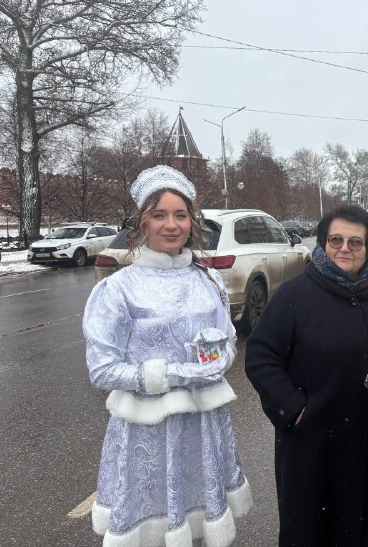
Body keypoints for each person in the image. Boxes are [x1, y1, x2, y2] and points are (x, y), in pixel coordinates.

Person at [84, 165, 252, 547]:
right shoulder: (119, 288)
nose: (171, 225)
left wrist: (219, 360)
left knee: (198, 525)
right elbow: (102, 370)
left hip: (203, 424)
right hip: (148, 430)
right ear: (142, 223)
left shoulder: (207, 279)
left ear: (192, 222)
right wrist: (176, 373)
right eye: (159, 215)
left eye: (180, 215)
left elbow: (226, 339)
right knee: (152, 525)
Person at [245, 204, 368, 547]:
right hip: (311, 448)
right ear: (323, 243)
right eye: (336, 240)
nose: (344, 249)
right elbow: (262, 356)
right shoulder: (294, 295)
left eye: (355, 242)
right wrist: (292, 409)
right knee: (307, 532)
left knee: (361, 530)